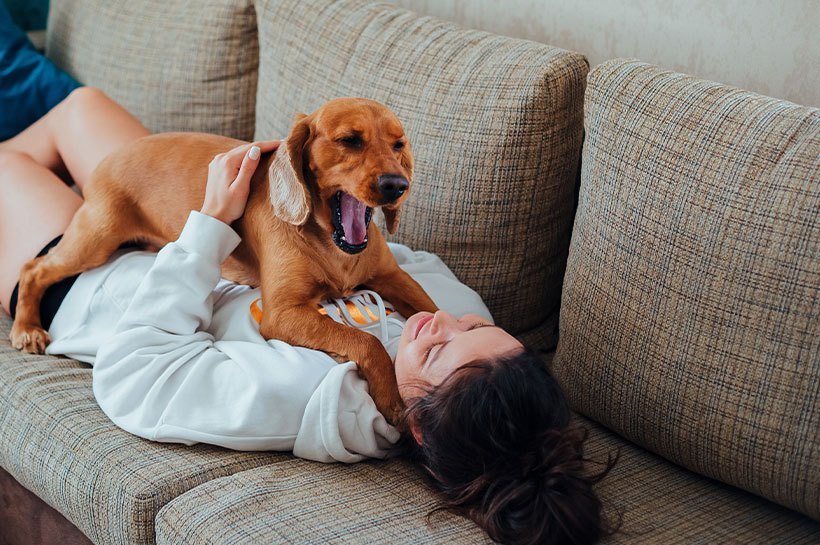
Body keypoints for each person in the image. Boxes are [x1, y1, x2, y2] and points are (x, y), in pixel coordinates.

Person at [0, 88, 614, 545]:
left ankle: (31, 263)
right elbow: (407, 265)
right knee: (80, 106)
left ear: (415, 424)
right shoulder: (465, 339)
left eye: (437, 348)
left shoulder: (309, 397)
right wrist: (299, 210)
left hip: (98, 287)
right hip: (206, 214)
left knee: (12, 163)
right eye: (477, 327)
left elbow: (133, 375)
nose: (447, 323)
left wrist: (211, 223)